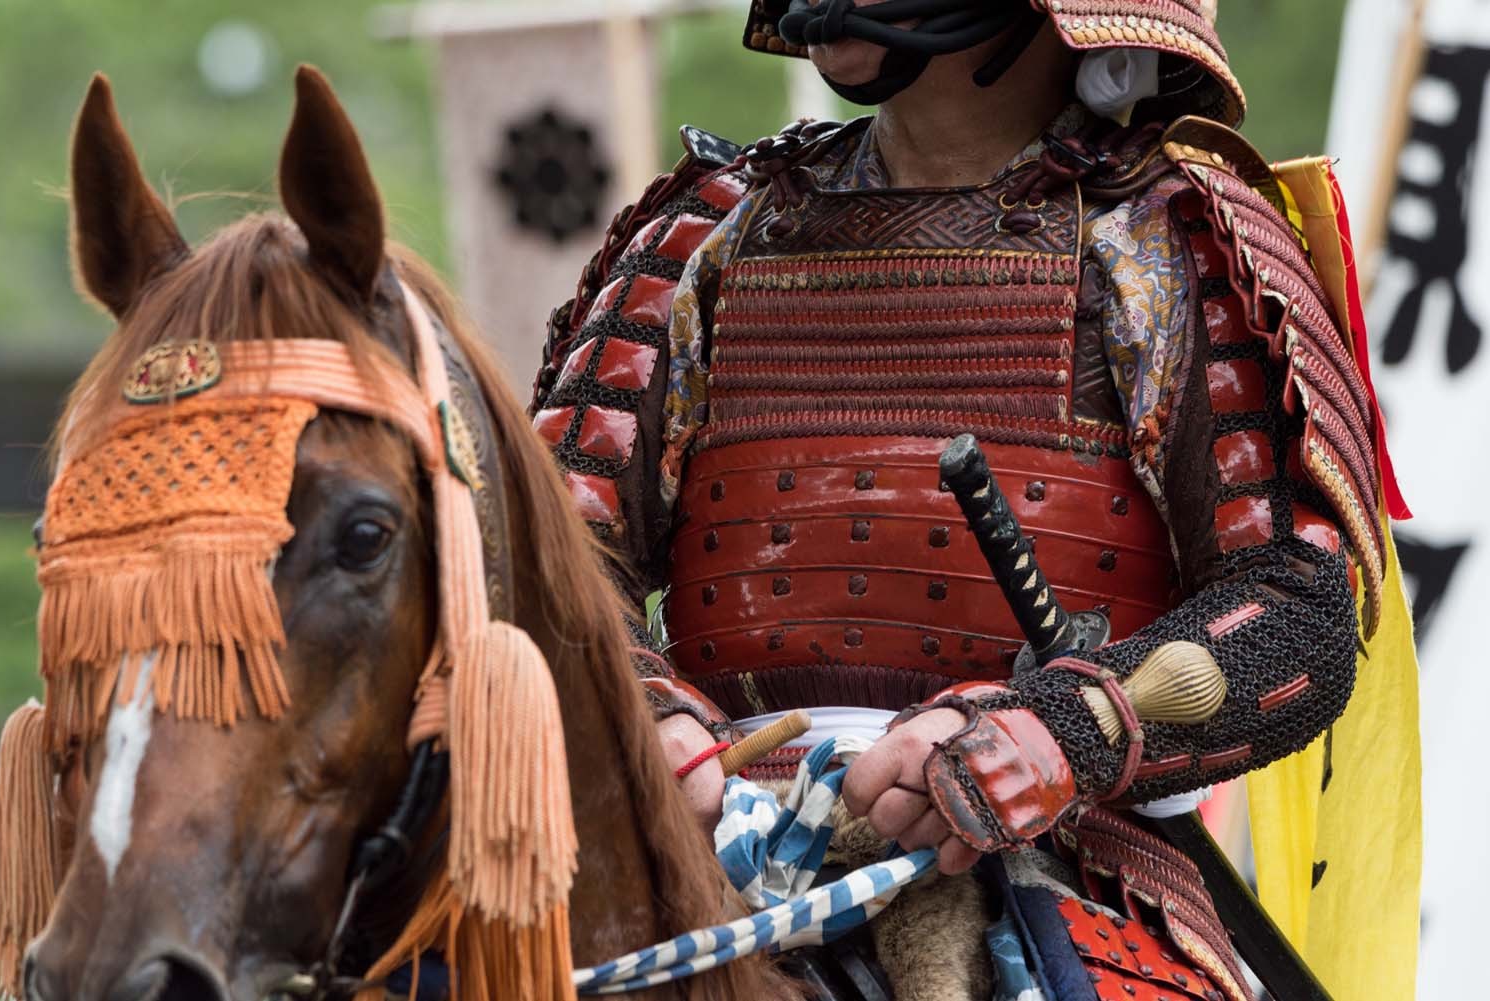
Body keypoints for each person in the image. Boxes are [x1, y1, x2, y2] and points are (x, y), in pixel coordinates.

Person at [529, 2, 1390, 998]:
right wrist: (644, 715)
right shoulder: (705, 231)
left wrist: (1049, 730)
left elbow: (1294, 608)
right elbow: (545, 549)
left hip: (1056, 852)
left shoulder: (1168, 238)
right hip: (710, 841)